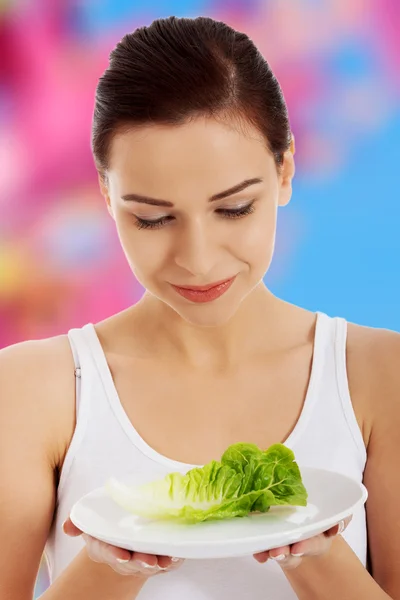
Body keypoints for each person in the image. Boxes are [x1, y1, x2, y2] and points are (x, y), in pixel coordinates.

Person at [1, 15, 399, 600]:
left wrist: (314, 555)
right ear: (107, 197)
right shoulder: (33, 388)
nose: (198, 259)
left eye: (234, 208)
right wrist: (110, 566)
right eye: (153, 218)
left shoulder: (378, 375)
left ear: (285, 169)